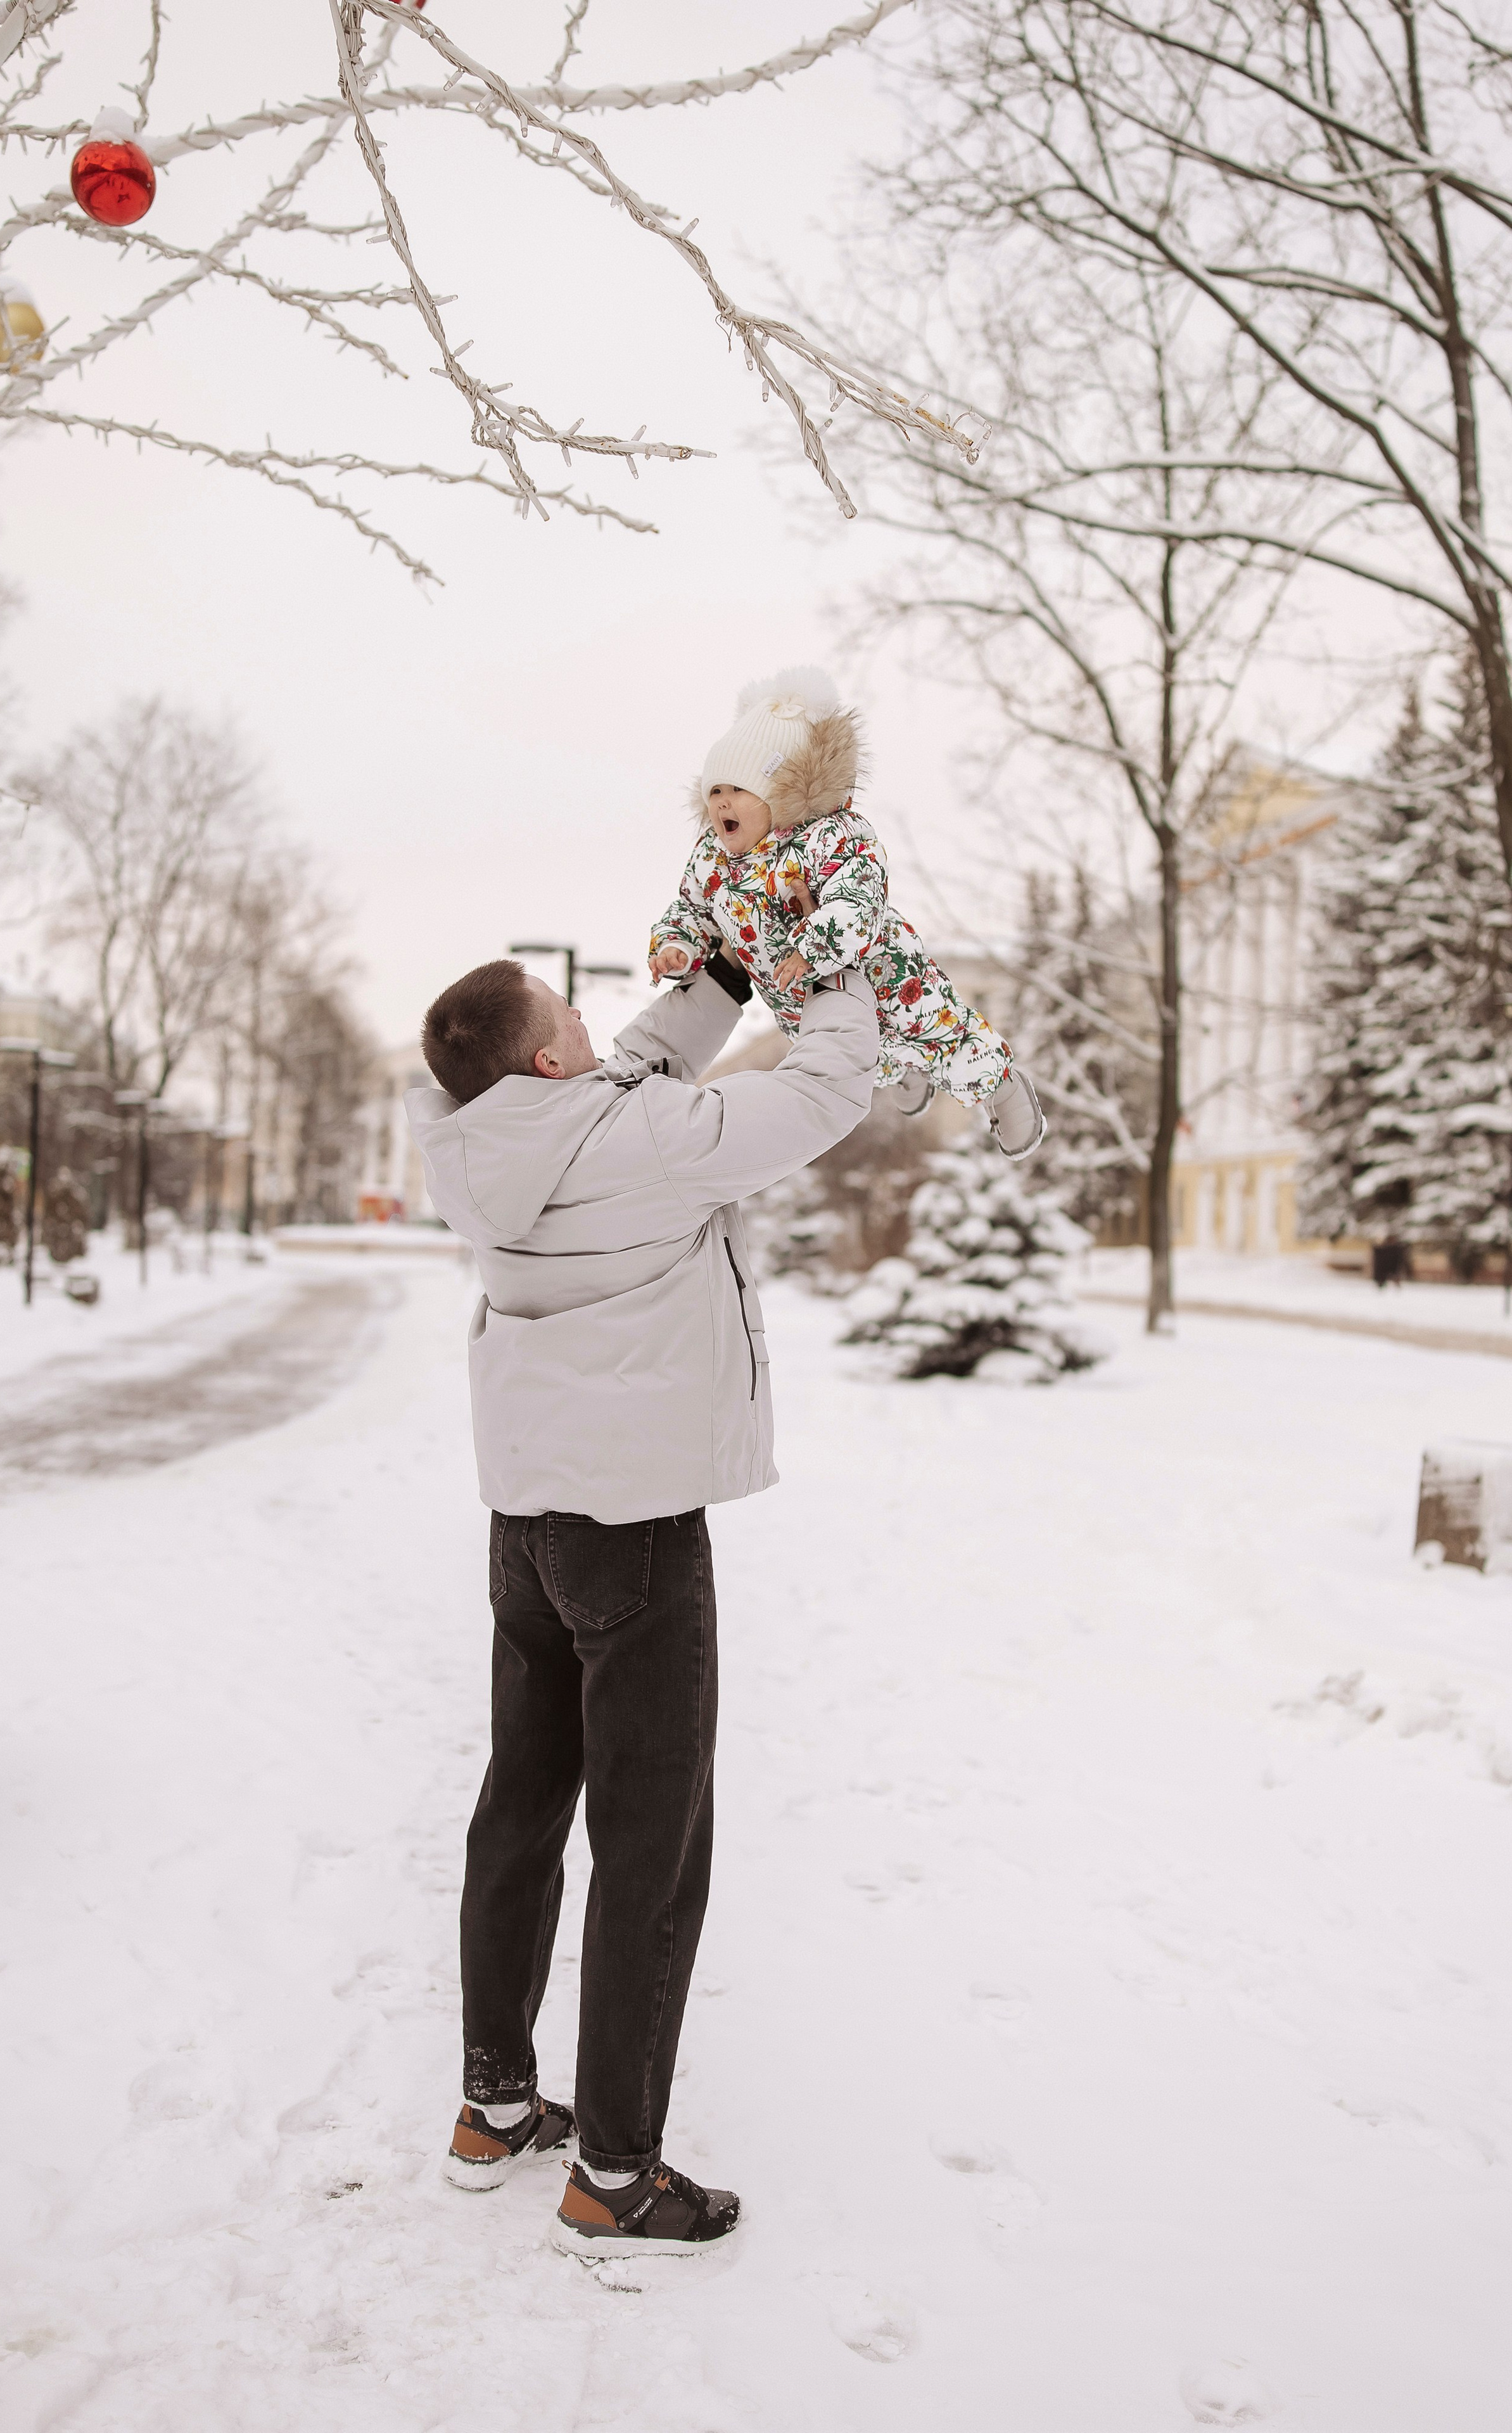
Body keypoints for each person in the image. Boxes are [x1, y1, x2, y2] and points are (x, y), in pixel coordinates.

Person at [405, 944, 882, 2259]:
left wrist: (723, 979)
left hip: (527, 1523)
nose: (595, 1030)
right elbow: (826, 1090)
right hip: (633, 1532)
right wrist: (835, 971)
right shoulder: (647, 1143)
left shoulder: (476, 1140)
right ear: (550, 1057)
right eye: (571, 1017)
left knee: (519, 1805)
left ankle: (494, 2103)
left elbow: (629, 1068)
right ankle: (614, 2172)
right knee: (649, 1844)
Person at [650, 665, 1046, 1153]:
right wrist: (676, 946)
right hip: (802, 996)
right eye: (715, 791)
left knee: (939, 1034)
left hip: (888, 976)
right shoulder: (712, 859)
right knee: (856, 1058)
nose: (722, 803)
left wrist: (813, 948)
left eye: (738, 790)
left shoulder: (832, 836)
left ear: (778, 794)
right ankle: (901, 1072)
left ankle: (999, 1085)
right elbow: (691, 909)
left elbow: (856, 899)